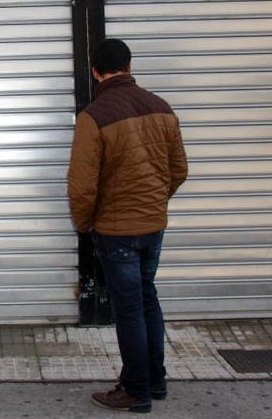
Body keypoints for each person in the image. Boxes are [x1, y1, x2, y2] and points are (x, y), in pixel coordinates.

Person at [67, 39, 188, 413]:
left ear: (95, 71)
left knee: (130, 309)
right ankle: (156, 380)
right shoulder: (161, 108)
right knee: (147, 297)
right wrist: (155, 202)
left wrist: (85, 223)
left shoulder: (94, 116)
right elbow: (179, 170)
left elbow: (81, 183)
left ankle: (136, 389)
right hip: (153, 225)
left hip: (116, 230)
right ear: (130, 67)